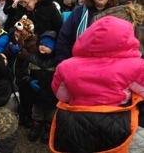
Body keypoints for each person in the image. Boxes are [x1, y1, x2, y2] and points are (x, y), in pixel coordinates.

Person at [51, 15, 144, 152]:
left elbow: (61, 96)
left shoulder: (66, 66)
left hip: (76, 121)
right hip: (116, 123)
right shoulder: (135, 66)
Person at [55, 0, 118, 65]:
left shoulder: (117, 13)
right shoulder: (79, 12)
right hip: (80, 63)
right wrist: (62, 62)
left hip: (109, 65)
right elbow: (64, 37)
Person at [21, 31, 58, 143]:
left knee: (50, 114)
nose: (43, 47)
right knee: (36, 112)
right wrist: (29, 80)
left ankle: (48, 129)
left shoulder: (56, 61)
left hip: (52, 95)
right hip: (35, 95)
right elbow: (23, 72)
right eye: (42, 44)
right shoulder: (32, 58)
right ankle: (36, 126)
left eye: (47, 45)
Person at [5, 15, 38, 128]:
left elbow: (31, 58)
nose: (16, 33)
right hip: (15, 75)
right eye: (16, 31)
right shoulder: (17, 41)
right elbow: (9, 54)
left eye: (19, 32)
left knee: (26, 99)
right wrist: (9, 49)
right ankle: (19, 116)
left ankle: (27, 118)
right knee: (17, 98)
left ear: (25, 33)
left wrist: (20, 51)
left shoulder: (32, 43)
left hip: (24, 77)